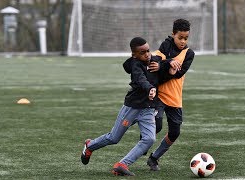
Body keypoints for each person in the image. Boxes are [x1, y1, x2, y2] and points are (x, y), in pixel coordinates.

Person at [80, 37, 174, 176]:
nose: (147, 54)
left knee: (149, 139)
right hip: (133, 108)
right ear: (134, 55)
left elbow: (162, 61)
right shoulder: (136, 65)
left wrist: (169, 62)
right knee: (114, 138)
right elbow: (140, 78)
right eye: (142, 52)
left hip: (148, 109)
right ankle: (90, 145)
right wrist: (150, 88)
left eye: (148, 50)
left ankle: (122, 164)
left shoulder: (154, 60)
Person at [146, 19, 195, 171]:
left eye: (186, 38)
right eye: (180, 37)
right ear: (173, 34)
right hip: (160, 94)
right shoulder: (165, 45)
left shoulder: (189, 54)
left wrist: (166, 66)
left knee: (175, 132)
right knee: (157, 124)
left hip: (175, 97)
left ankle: (154, 158)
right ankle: (144, 142)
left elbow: (178, 74)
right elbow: (156, 64)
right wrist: (168, 62)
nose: (183, 41)